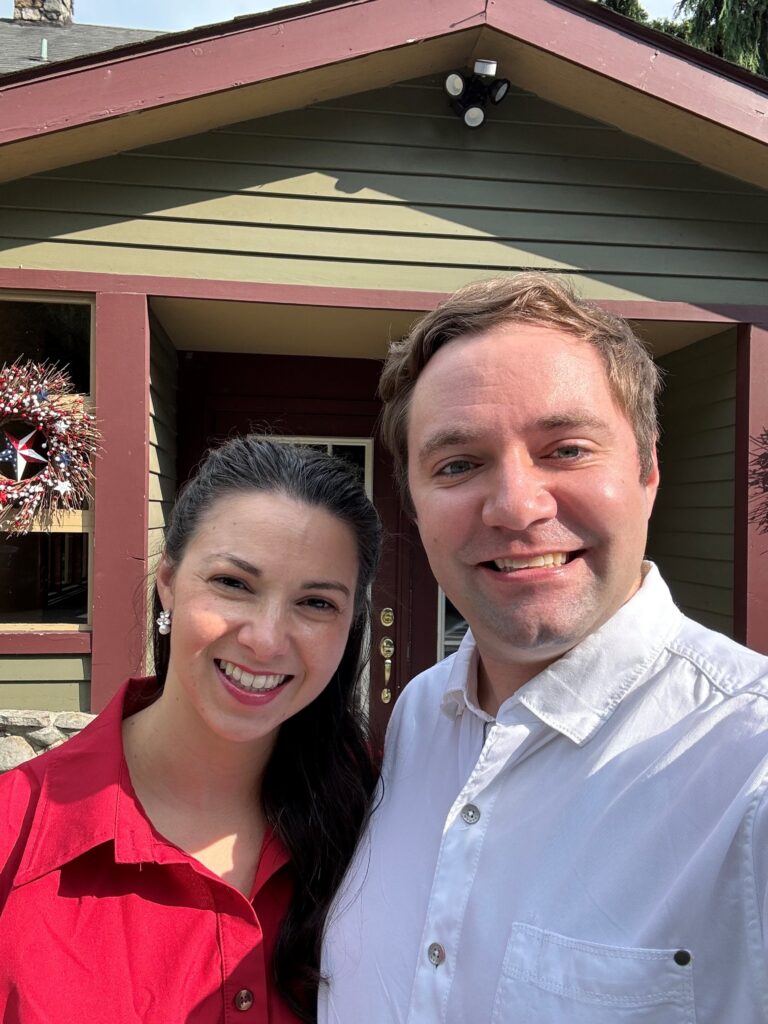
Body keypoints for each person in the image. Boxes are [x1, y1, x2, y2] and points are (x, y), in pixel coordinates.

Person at [319, 274, 768, 1024]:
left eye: (565, 449)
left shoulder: (747, 768)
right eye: (458, 464)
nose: (517, 507)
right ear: (415, 501)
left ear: (648, 472)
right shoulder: (423, 715)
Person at [0, 436, 381, 1024]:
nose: (266, 638)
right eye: (233, 583)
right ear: (169, 581)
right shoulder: (15, 835)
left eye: (316, 603)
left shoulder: (385, 814)